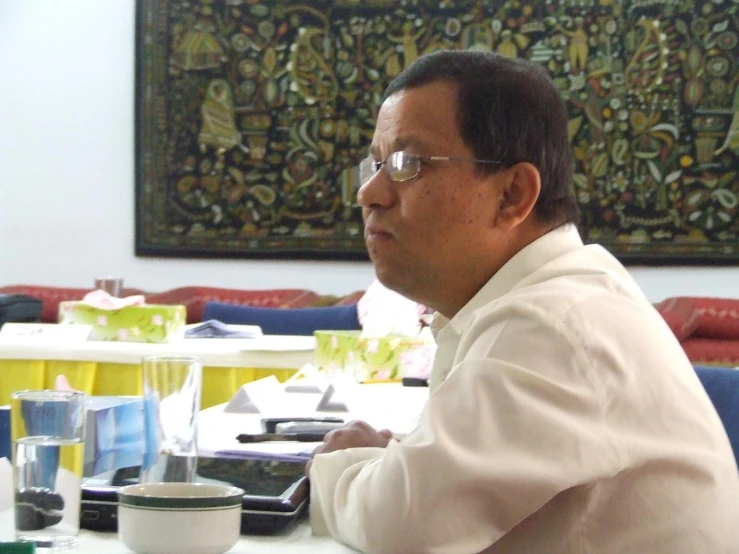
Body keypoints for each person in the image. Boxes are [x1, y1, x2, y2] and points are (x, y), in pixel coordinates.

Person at [306, 50, 739, 553]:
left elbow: (399, 529)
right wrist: (395, 469)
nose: (369, 192)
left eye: (407, 164)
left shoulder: (551, 324)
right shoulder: (547, 297)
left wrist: (342, 462)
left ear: (512, 194)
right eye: (376, 163)